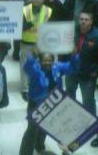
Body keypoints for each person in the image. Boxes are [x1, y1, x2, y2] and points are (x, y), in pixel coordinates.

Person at [20, 52, 79, 155]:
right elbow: (27, 67)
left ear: (53, 60)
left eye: (49, 61)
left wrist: (74, 55)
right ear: (39, 60)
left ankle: (39, 146)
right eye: (44, 61)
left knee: (45, 127)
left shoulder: (57, 67)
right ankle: (25, 152)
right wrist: (33, 55)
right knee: (32, 131)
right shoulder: (35, 69)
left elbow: (72, 67)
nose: (47, 63)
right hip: (36, 105)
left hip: (53, 104)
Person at [65, 10, 98, 148]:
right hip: (72, 71)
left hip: (87, 74)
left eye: (86, 19)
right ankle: (73, 123)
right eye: (81, 19)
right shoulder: (73, 31)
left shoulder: (96, 36)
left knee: (88, 103)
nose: (83, 22)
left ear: (91, 21)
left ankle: (94, 131)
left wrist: (95, 72)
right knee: (70, 97)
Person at [20, 0, 52, 100]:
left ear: (43, 0)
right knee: (25, 66)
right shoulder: (25, 9)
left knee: (42, 66)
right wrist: (27, 25)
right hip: (27, 42)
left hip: (41, 43)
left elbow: (50, 28)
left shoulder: (48, 11)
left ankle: (40, 85)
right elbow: (18, 26)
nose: (37, 0)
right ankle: (25, 89)